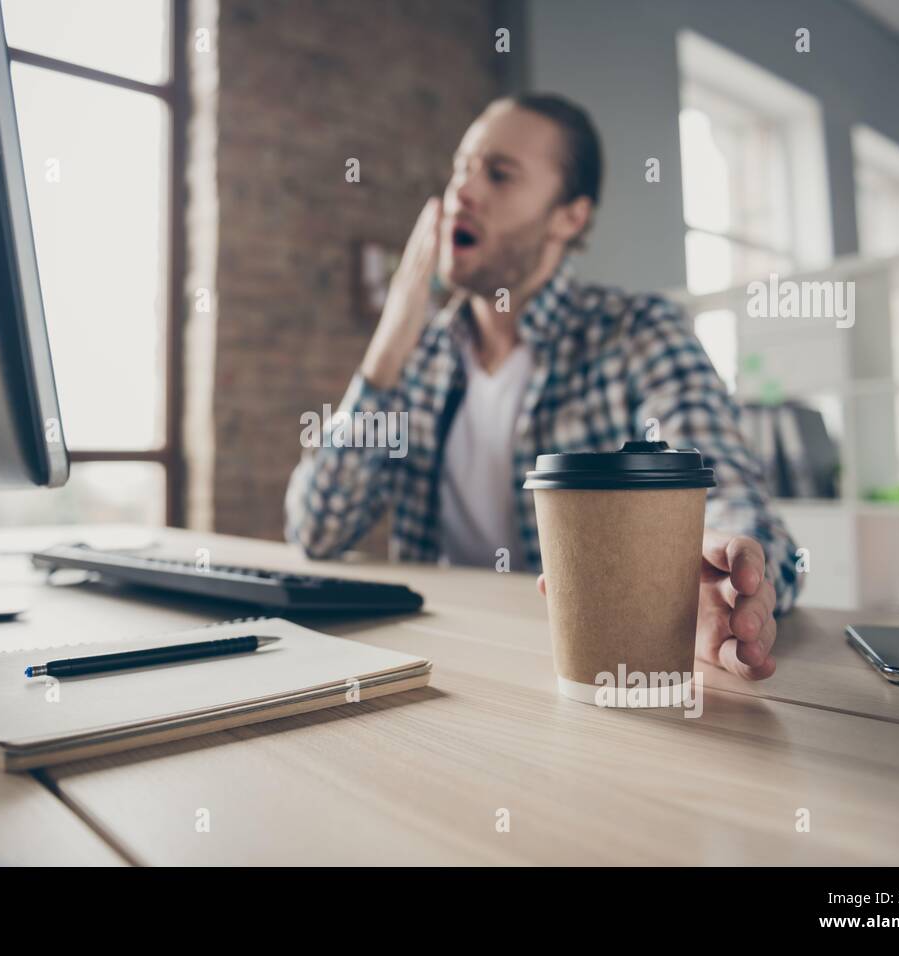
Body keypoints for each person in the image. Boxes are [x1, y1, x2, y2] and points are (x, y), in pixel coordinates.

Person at [285, 94, 800, 681]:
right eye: (462, 169)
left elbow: (732, 503)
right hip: (437, 671)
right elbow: (316, 530)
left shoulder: (638, 334)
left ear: (570, 217)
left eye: (499, 174)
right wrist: (388, 345)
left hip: (581, 675)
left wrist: (732, 574)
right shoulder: (420, 356)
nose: (464, 192)